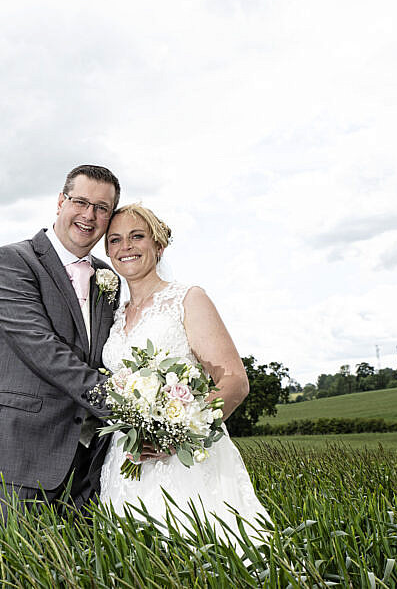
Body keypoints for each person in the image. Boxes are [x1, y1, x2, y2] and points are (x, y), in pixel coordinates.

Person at [97, 203, 271, 544]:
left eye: (137, 237)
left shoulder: (188, 299)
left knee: (202, 554)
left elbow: (234, 381)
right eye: (115, 240)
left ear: (158, 246)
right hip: (126, 458)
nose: (125, 247)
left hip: (185, 458)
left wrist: (175, 434)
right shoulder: (114, 316)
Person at [0, 164, 122, 518]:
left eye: (102, 208)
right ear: (60, 201)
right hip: (21, 454)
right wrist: (126, 406)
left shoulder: (109, 277)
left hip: (91, 465)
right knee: (13, 569)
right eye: (81, 202)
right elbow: (41, 348)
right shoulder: (14, 261)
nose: (89, 215)